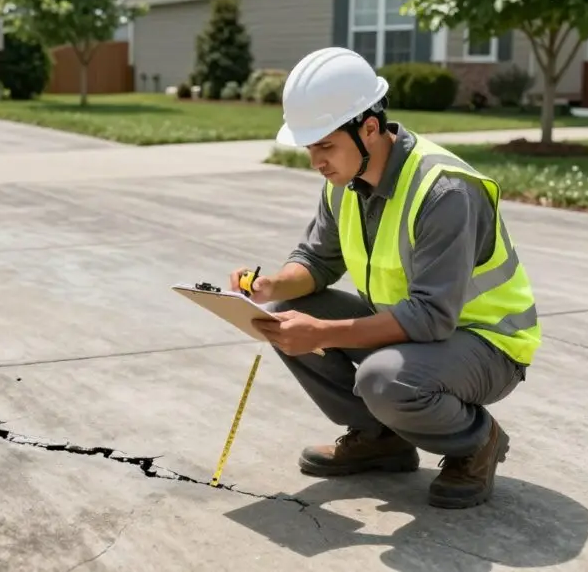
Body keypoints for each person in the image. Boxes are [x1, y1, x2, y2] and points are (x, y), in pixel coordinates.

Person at [229, 47, 542, 509]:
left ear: (369, 128)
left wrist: (323, 333)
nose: (316, 161)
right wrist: (271, 286)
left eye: (325, 145)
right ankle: (382, 440)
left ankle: (477, 442)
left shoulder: (444, 191)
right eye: (310, 147)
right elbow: (316, 262)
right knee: (283, 316)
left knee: (383, 380)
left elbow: (432, 316)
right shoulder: (344, 182)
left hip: (487, 344)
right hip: (419, 334)